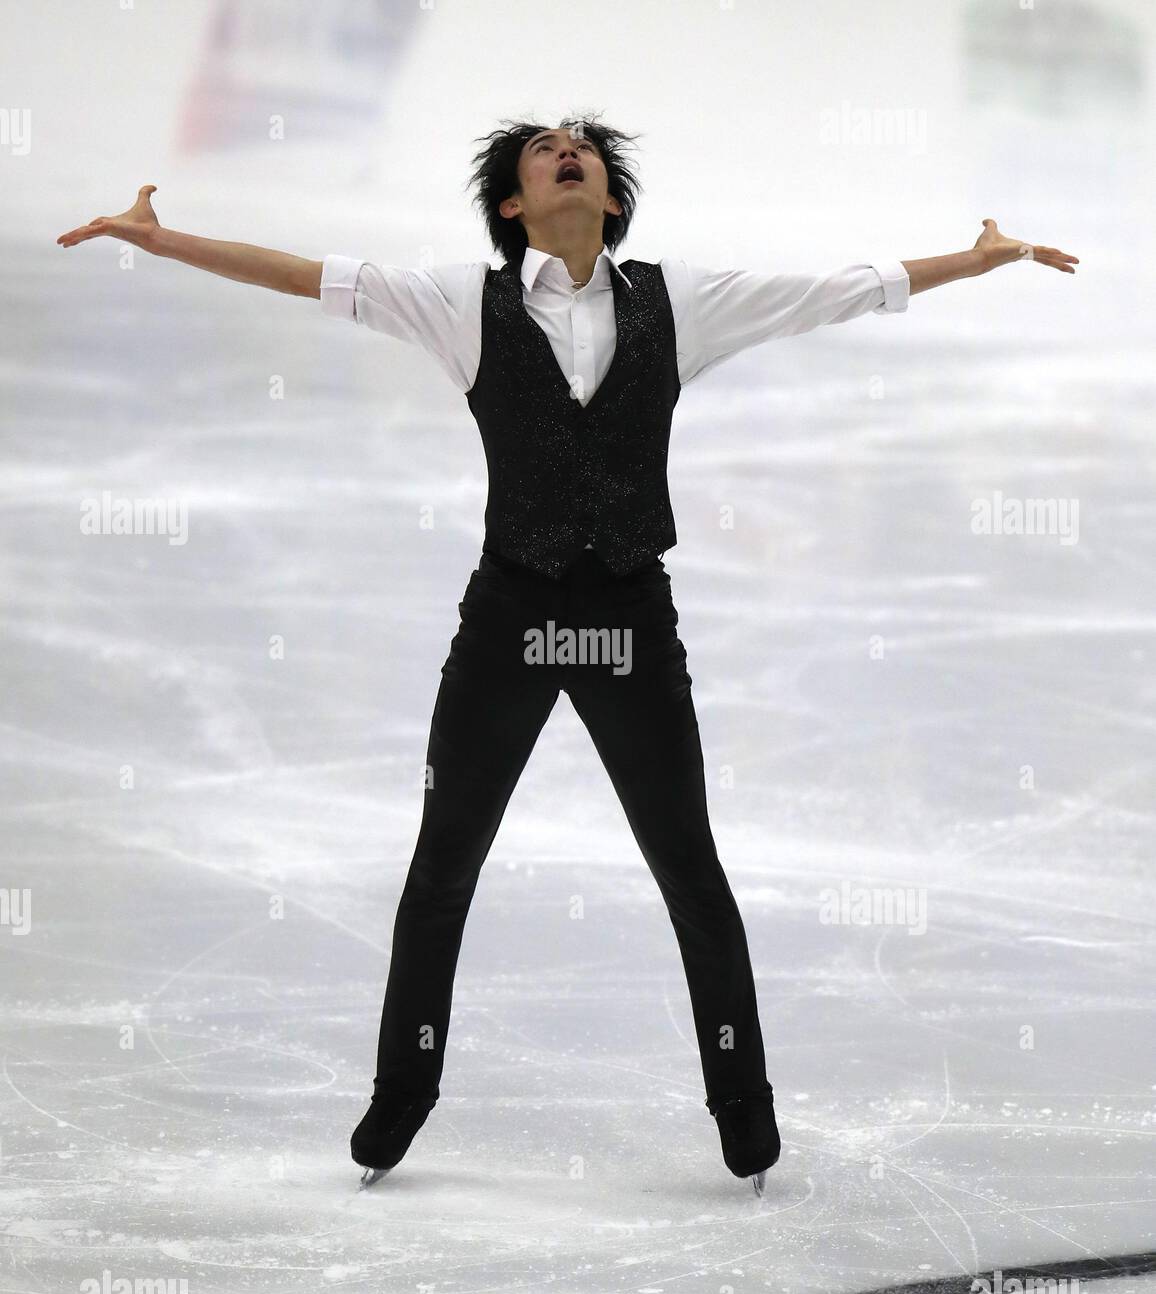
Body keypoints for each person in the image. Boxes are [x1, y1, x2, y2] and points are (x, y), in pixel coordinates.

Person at [56, 114, 1078, 1194]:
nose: (567, 147)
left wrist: (973, 260)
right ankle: (402, 1092)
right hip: (511, 617)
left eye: (583, 145)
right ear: (513, 203)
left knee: (688, 864)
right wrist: (165, 242)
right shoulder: (461, 303)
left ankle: (742, 1099)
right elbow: (311, 277)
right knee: (443, 862)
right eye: (543, 148)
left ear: (610, 198)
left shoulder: (679, 302)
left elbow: (833, 290)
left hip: (630, 617)